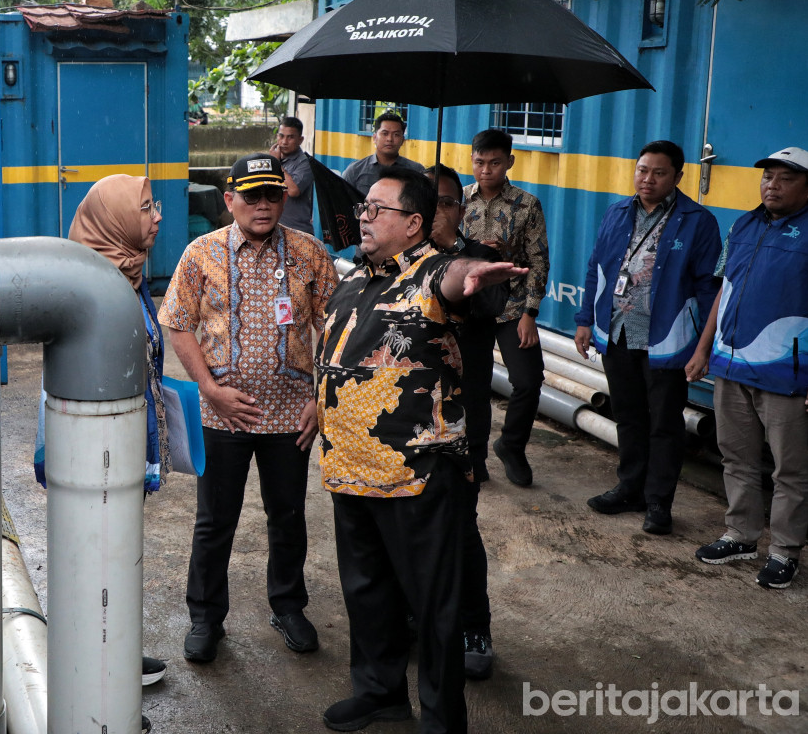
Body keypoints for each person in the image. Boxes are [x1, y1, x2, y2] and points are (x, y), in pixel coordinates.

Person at [317, 166, 525, 733]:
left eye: (376, 209)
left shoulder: (433, 273)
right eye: (364, 208)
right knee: (367, 593)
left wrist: (473, 274)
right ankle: (380, 691)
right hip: (350, 469)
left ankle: (440, 716)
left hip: (419, 473)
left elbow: (457, 282)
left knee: (434, 605)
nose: (363, 215)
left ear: (413, 223)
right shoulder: (357, 277)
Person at [159, 153, 339, 663]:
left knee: (287, 516)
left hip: (290, 416)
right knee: (215, 520)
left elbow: (336, 329)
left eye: (273, 195)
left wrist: (320, 400)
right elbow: (177, 322)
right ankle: (205, 617)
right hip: (221, 414)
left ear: (284, 198)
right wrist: (209, 389)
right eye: (252, 195)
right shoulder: (201, 253)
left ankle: (287, 606)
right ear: (230, 199)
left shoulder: (310, 253)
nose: (263, 206)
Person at [574, 141, 721, 536]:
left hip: (667, 341)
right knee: (628, 416)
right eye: (642, 170)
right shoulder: (617, 212)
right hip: (618, 333)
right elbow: (596, 270)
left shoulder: (697, 221)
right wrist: (585, 320)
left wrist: (705, 347)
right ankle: (630, 488)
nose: (647, 179)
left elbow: (710, 288)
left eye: (658, 172)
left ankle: (659, 502)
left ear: (677, 176)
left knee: (664, 424)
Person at [685, 146, 808, 590]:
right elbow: (724, 290)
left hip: (786, 373)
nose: (771, 185)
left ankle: (784, 551)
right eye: (767, 176)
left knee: (789, 469)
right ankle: (740, 534)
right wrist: (703, 350)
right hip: (730, 364)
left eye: (785, 178)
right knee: (736, 456)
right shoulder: (743, 224)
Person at [67, 174, 170, 690]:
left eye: (156, 206)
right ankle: (99, 683)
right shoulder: (96, 284)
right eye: (147, 208)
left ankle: (114, 657)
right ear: (116, 220)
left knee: (116, 557)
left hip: (120, 447)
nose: (156, 217)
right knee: (100, 559)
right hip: (97, 456)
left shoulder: (126, 272)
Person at [427, 164, 506, 682]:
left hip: (460, 422)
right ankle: (417, 615)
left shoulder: (483, 260)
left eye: (447, 201)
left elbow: (484, 307)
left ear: (461, 207)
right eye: (427, 200)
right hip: (404, 422)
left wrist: (453, 269)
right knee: (408, 529)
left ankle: (474, 625)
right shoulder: (394, 263)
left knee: (460, 526)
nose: (438, 209)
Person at [460, 129, 549, 487]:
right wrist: (472, 250)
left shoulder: (527, 204)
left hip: (513, 308)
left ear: (509, 162)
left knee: (529, 380)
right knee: (473, 388)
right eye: (480, 162)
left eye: (495, 163)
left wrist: (530, 313)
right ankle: (474, 457)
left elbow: (538, 261)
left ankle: (511, 445)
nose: (486, 170)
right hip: (471, 308)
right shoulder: (459, 201)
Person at [341, 111, 425, 197]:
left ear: (402, 140)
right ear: (374, 138)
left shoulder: (416, 171)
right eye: (385, 133)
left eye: (396, 135)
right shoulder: (355, 170)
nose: (390, 139)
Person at [270, 117, 316, 236]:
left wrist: (276, 164)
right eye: (281, 136)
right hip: (274, 230)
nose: (284, 142)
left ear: (300, 140)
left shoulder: (305, 162)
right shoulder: (273, 159)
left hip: (298, 232)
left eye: (290, 137)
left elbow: (293, 190)